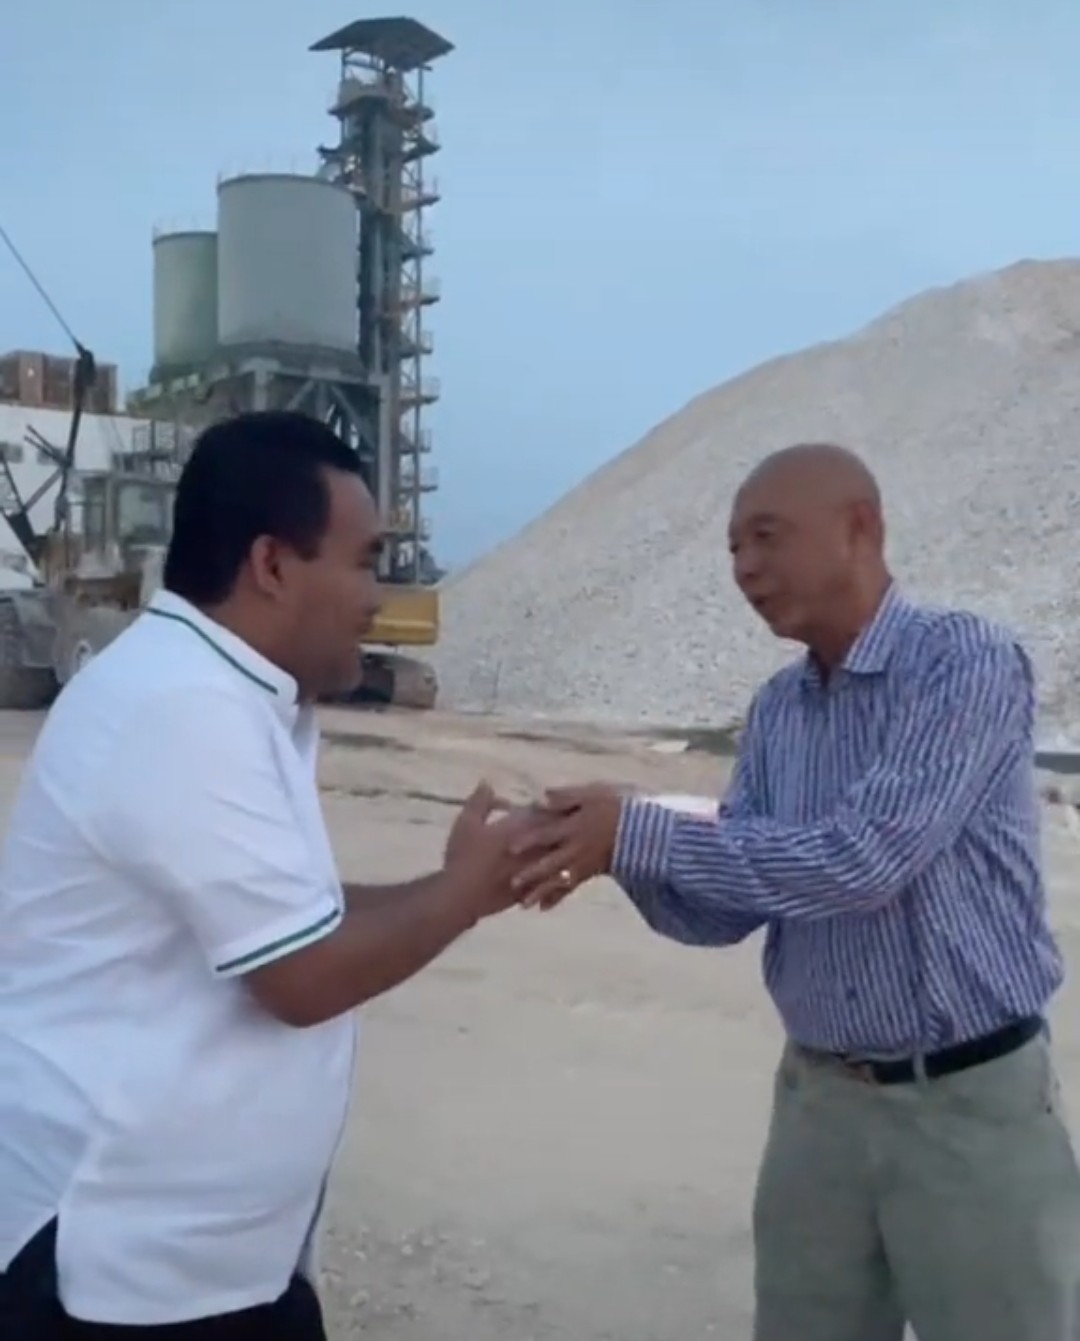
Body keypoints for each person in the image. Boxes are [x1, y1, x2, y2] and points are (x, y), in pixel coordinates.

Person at [511, 442, 1080, 1341]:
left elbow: (866, 860)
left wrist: (639, 830)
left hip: (966, 1107)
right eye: (733, 547)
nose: (744, 567)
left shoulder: (963, 662)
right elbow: (728, 907)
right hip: (819, 1103)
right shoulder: (779, 707)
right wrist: (609, 852)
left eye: (766, 537)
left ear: (860, 528)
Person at [0, 411, 533, 1339]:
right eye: (364, 562)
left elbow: (296, 919)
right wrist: (467, 893)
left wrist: (453, 881)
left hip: (209, 1264)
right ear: (273, 565)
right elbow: (302, 973)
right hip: (121, 1271)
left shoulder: (225, 695)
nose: (378, 598)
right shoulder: (181, 706)